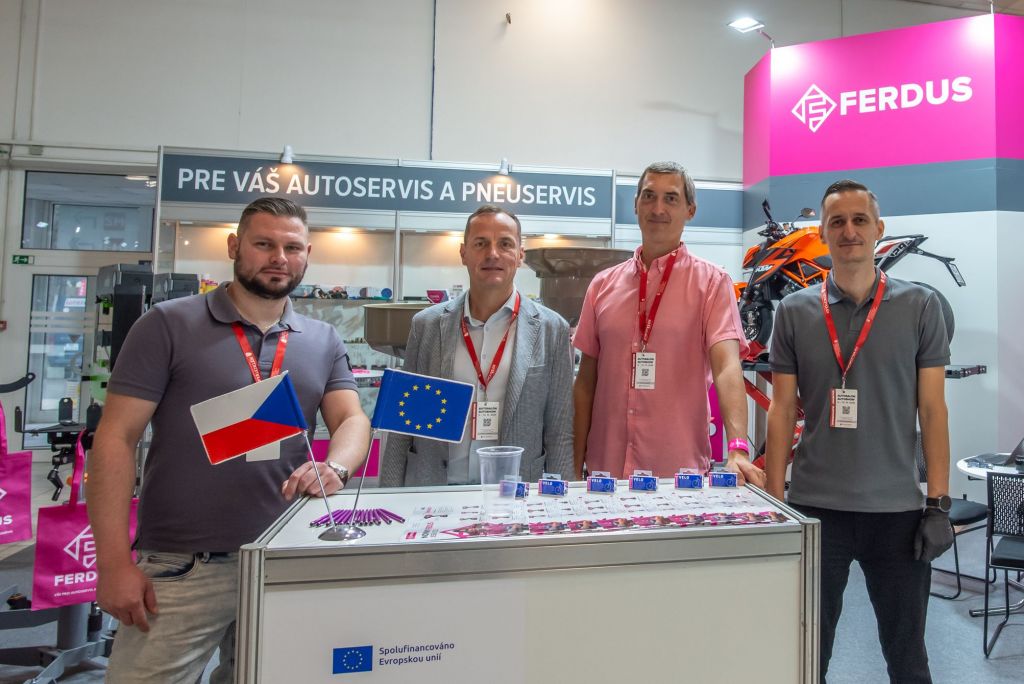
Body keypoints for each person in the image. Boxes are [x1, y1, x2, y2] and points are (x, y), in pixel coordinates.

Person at [88, 197, 371, 683]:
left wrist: (337, 466)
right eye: (264, 244)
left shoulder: (322, 338)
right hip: (183, 566)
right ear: (234, 246)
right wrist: (112, 563)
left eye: (292, 248)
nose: (279, 258)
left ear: (307, 255)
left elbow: (352, 419)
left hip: (282, 557)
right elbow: (116, 438)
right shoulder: (167, 325)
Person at [765, 179, 953, 684]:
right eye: (837, 222)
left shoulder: (920, 307)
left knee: (908, 659)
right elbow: (781, 411)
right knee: (807, 656)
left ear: (878, 229)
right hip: (815, 510)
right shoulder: (794, 311)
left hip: (897, 513)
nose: (849, 231)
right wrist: (775, 503)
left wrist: (938, 504)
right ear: (822, 233)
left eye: (859, 220)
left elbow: (933, 410)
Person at [572, 161, 763, 485]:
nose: (658, 208)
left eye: (671, 198)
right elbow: (586, 382)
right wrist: (575, 466)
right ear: (635, 204)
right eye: (648, 196)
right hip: (605, 476)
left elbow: (727, 367)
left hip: (678, 476)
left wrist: (737, 448)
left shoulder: (712, 283)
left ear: (690, 209)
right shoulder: (602, 285)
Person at [380, 205, 573, 486]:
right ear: (464, 253)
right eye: (480, 243)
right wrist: (388, 495)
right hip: (437, 487)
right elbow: (402, 426)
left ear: (520, 255)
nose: (492, 253)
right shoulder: (427, 325)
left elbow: (559, 432)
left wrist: (559, 502)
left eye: (505, 244)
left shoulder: (552, 329)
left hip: (514, 491)